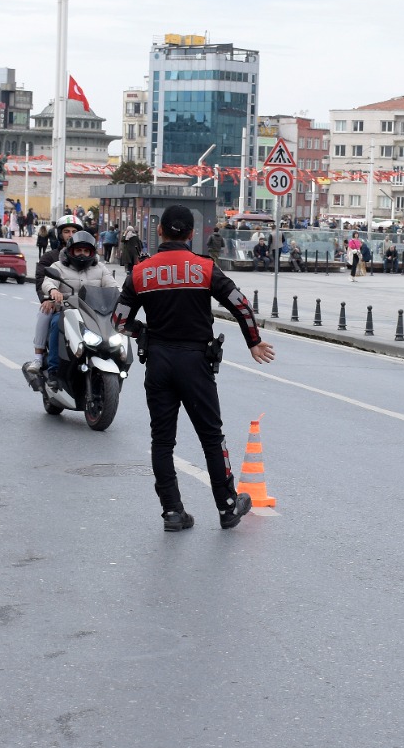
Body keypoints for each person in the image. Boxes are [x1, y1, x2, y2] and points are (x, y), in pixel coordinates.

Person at [113, 205, 274, 532]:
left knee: (162, 440)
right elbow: (240, 304)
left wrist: (143, 333)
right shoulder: (204, 268)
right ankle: (228, 507)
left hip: (158, 362)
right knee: (211, 437)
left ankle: (172, 511)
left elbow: (119, 321)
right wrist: (253, 341)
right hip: (195, 363)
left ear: (159, 232)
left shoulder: (141, 273)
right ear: (190, 234)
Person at [29, 231, 117, 392]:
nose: (82, 254)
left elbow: (112, 286)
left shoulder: (100, 268)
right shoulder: (59, 266)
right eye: (78, 250)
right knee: (56, 323)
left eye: (86, 251)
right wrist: (54, 290)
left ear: (92, 252)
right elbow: (48, 282)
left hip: (93, 313)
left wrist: (120, 295)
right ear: (71, 251)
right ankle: (53, 370)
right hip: (66, 310)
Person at [23, 215, 82, 377]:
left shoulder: (90, 259)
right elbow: (42, 280)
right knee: (45, 312)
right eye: (66, 231)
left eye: (74, 231)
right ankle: (38, 357)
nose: (70, 235)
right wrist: (48, 298)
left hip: (85, 306)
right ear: (59, 234)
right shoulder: (50, 258)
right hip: (59, 303)